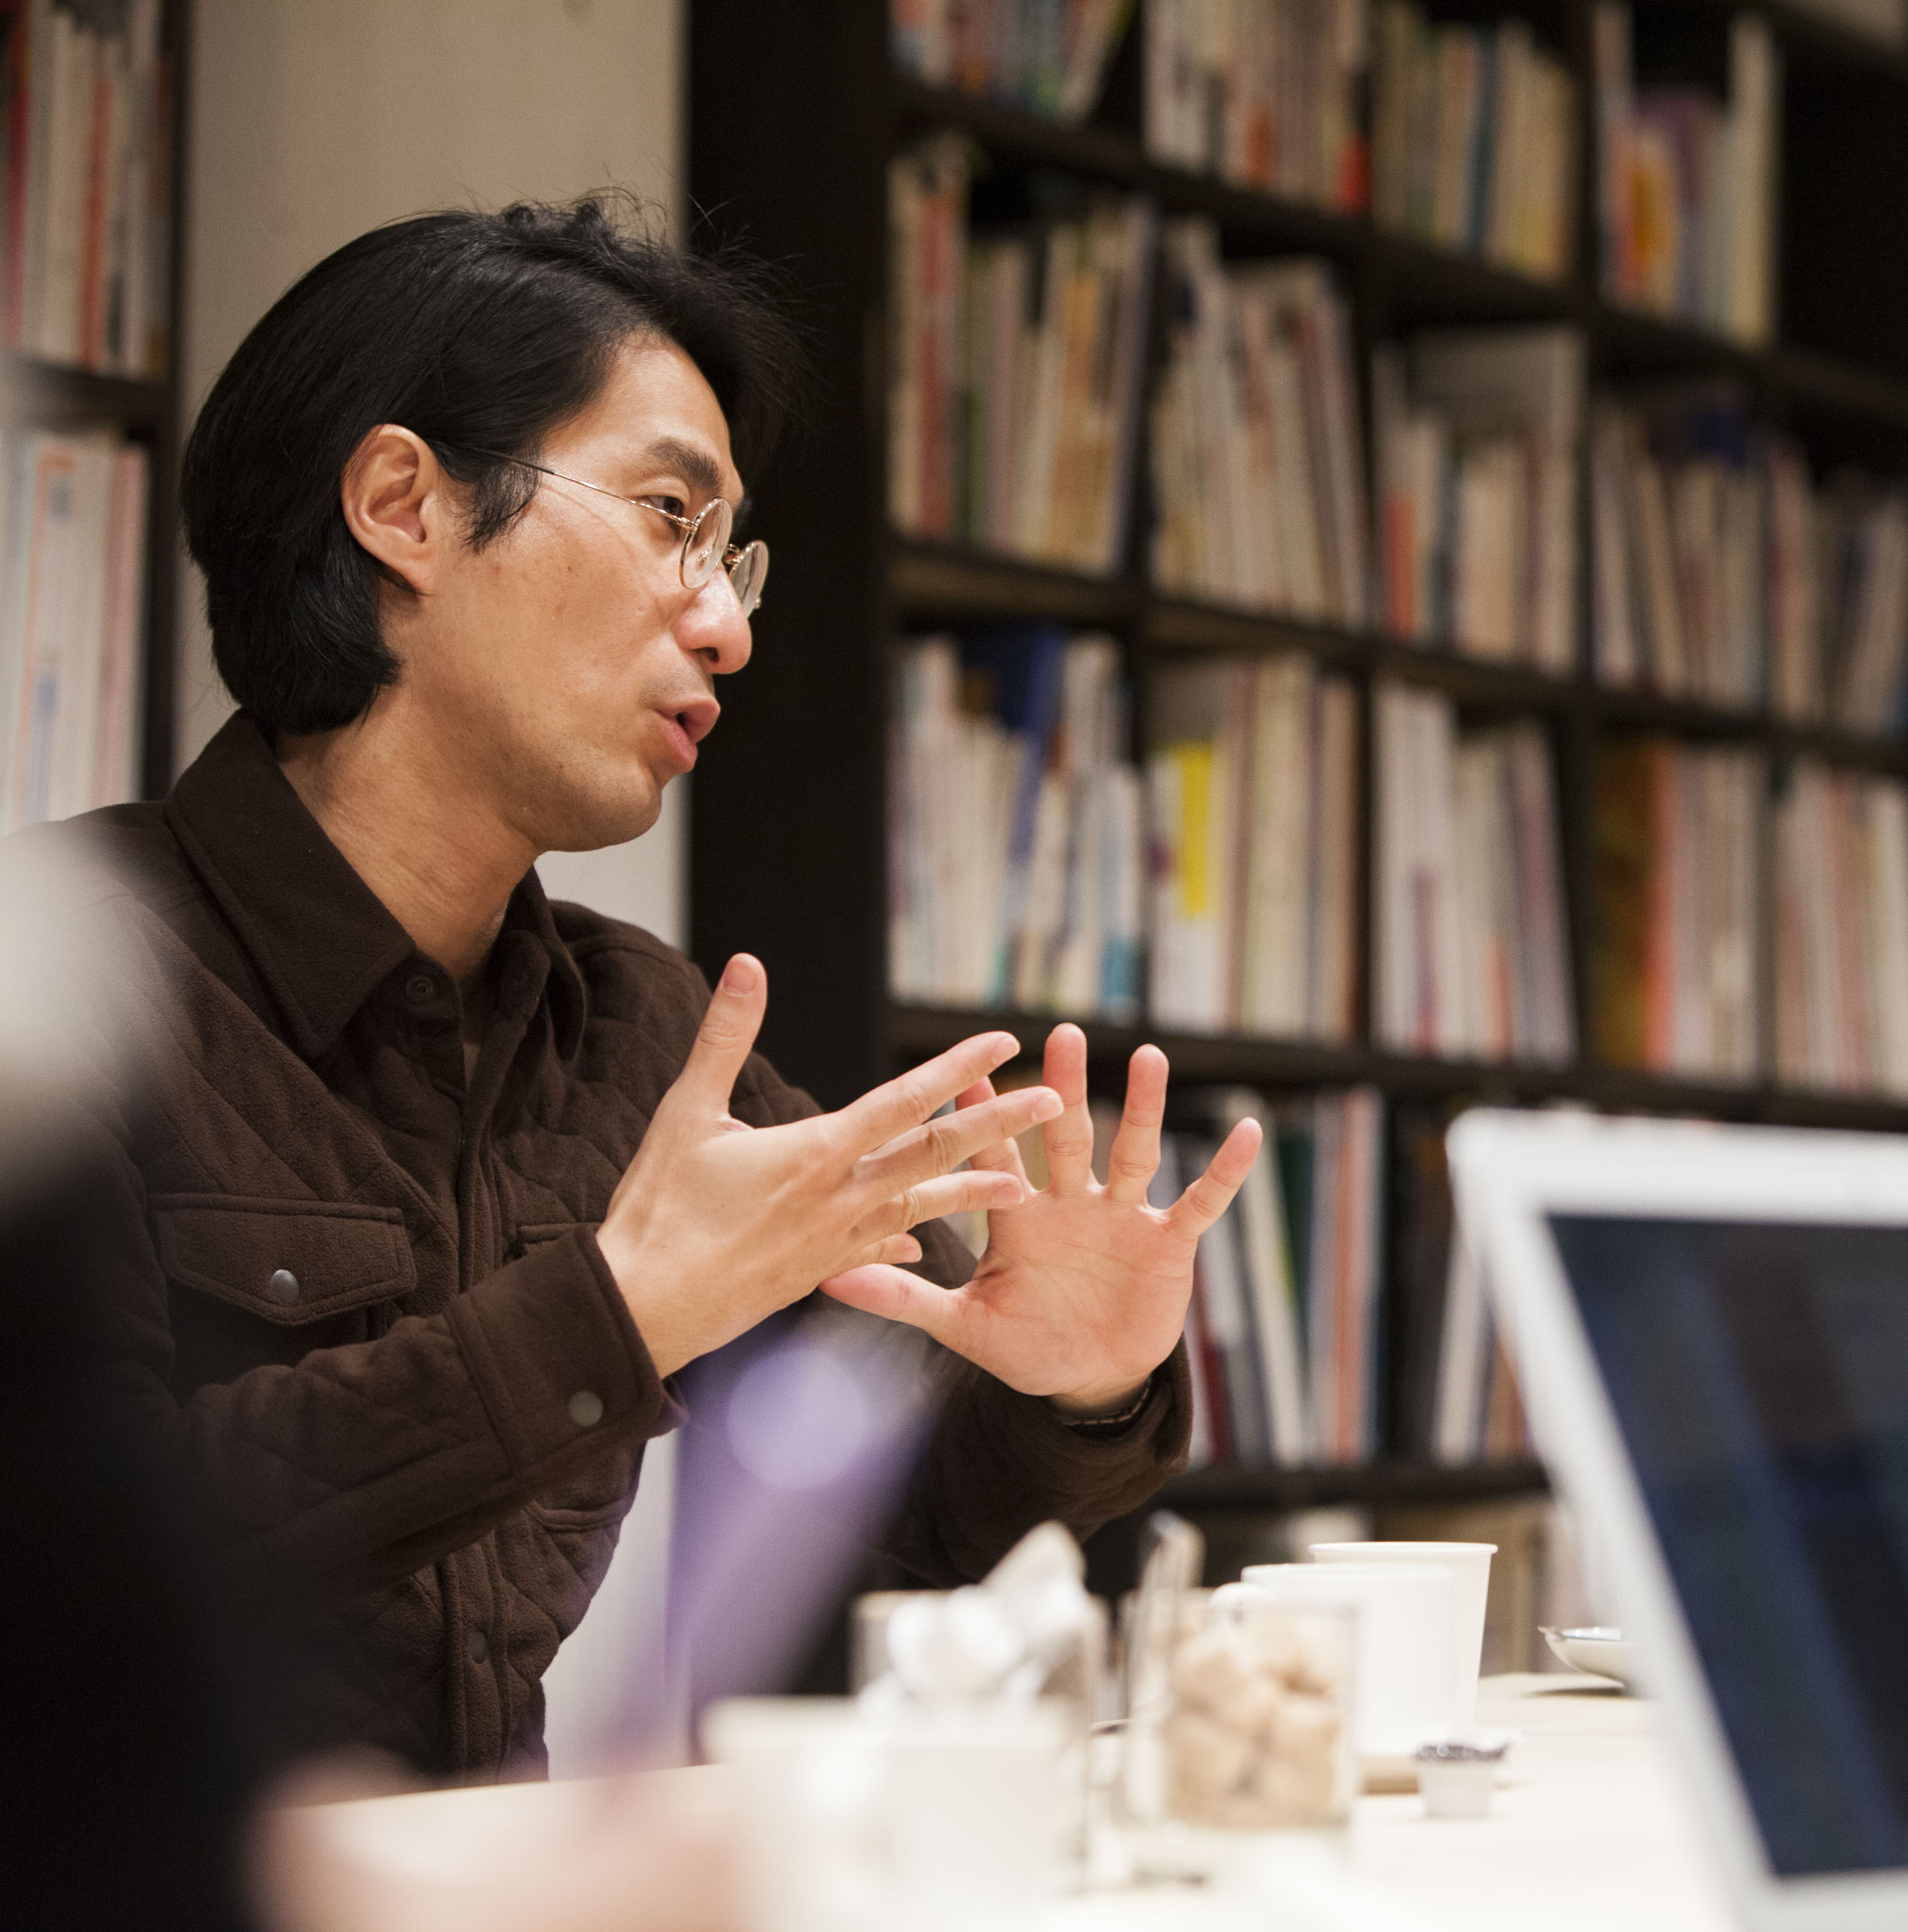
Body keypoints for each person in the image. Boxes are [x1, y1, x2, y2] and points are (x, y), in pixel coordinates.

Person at [24, 198, 1258, 1782]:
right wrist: (606, 1318)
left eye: (732, 553)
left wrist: (1073, 1385)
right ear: (404, 504)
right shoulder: (56, 982)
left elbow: (917, 1535)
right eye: (670, 512)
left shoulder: (646, 1034)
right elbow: (72, 1579)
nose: (730, 625)